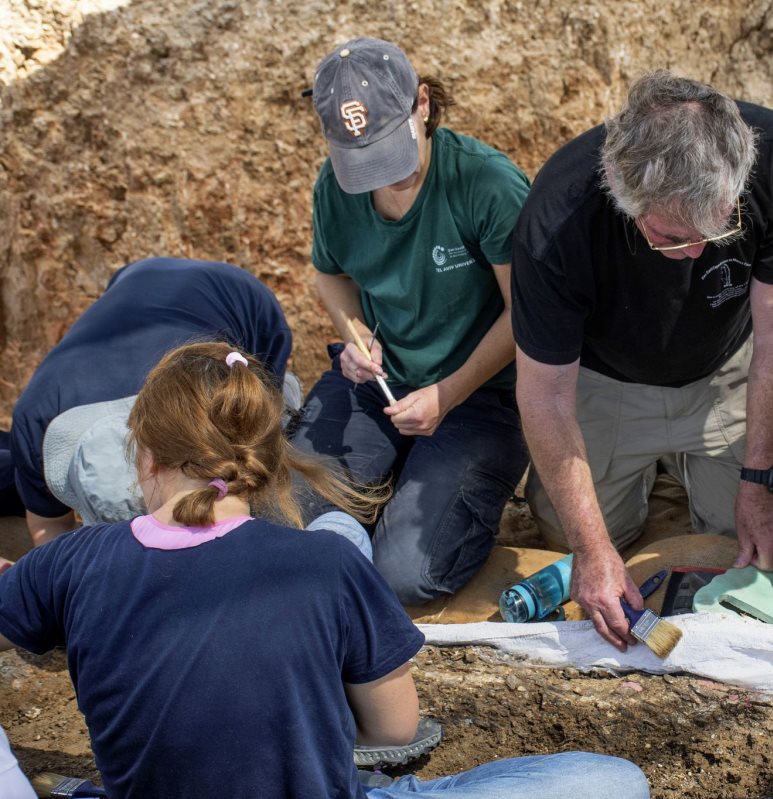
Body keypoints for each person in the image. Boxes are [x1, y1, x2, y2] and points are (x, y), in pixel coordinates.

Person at [0, 342, 651, 798]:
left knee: (338, 534)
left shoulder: (68, 563)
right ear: (265, 454)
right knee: (615, 782)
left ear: (145, 455)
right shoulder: (324, 564)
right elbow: (396, 730)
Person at [512, 71, 773, 649]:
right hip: (604, 379)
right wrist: (592, 549)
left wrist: (760, 478)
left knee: (755, 540)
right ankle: (659, 477)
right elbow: (545, 395)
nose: (698, 252)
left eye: (720, 227)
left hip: (726, 369)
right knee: (572, 541)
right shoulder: (556, 219)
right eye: (673, 237)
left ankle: (687, 475)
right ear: (622, 192)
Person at [290, 37, 529, 604]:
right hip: (379, 380)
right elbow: (332, 275)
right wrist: (356, 334)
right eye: (361, 160)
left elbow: (529, 316)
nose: (381, 176)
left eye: (390, 148)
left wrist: (447, 394)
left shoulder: (487, 184)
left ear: (422, 103)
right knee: (284, 521)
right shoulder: (334, 186)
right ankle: (382, 483)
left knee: (407, 577)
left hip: (480, 394)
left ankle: (410, 490)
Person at [10, 257, 292, 547]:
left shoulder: (207, 394)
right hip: (137, 278)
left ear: (153, 462)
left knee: (259, 428)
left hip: (243, 298)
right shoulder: (35, 422)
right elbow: (49, 525)